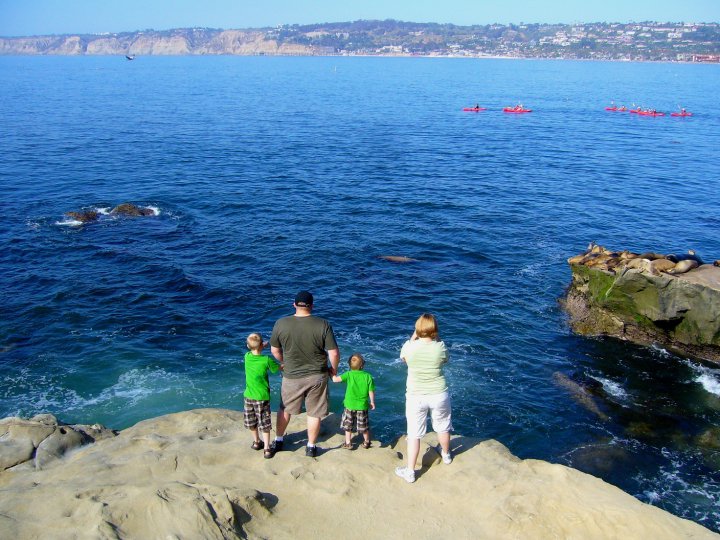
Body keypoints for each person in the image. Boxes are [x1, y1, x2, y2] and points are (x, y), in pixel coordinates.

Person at [270, 290, 340, 457]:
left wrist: (284, 362)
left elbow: (274, 350)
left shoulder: (281, 323)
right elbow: (334, 353)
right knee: (314, 413)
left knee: (284, 409)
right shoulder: (323, 324)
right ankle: (311, 447)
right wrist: (333, 369)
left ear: (294, 304)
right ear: (312, 306)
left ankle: (279, 440)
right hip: (317, 375)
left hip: (291, 375)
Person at [395, 313, 452, 483]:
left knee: (414, 434)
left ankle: (411, 472)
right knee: (443, 426)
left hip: (415, 395)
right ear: (435, 330)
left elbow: (404, 359)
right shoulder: (440, 346)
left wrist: (414, 336)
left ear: (418, 329)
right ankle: (446, 455)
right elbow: (445, 360)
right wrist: (435, 337)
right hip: (439, 394)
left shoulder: (409, 347)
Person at [243, 333, 282, 459]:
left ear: (248, 346)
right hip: (262, 397)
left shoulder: (247, 356)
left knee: (251, 420)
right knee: (264, 422)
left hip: (248, 396)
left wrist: (260, 346)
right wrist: (285, 365)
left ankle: (256, 442)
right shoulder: (266, 360)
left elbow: (254, 348)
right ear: (261, 345)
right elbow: (276, 369)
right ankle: (266, 448)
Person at [332, 353, 376, 450]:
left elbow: (335, 380)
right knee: (364, 426)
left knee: (348, 425)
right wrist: (372, 402)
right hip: (362, 405)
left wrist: (332, 372)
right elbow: (371, 391)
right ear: (362, 365)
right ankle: (367, 442)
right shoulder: (368, 376)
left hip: (349, 405)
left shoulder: (348, 374)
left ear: (349, 365)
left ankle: (348, 443)